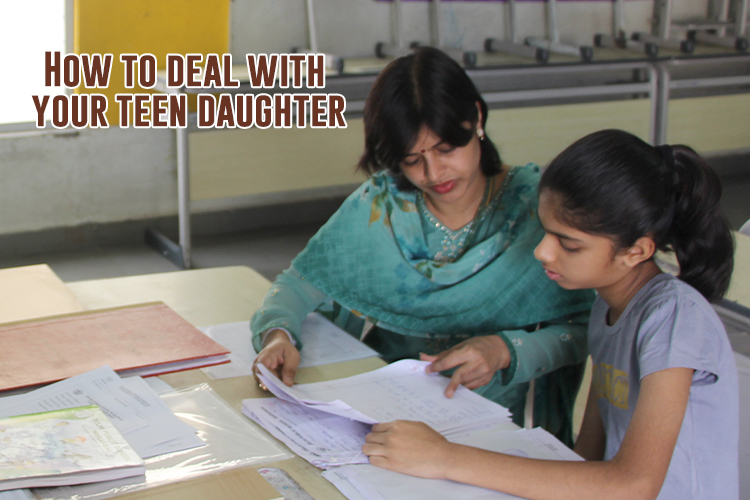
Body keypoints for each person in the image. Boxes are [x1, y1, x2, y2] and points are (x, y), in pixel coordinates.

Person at [362, 129, 739, 500]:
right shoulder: (607, 306)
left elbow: (633, 486)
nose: (543, 251)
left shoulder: (673, 316)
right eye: (546, 232)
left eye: (569, 244)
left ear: (636, 252)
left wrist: (446, 458)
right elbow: (587, 455)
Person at [250, 47, 593, 443]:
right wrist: (279, 336)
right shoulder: (382, 206)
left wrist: (504, 350)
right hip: (382, 414)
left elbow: (586, 327)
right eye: (413, 160)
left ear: (477, 119)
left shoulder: (537, 211)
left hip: (502, 424)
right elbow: (297, 284)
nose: (434, 173)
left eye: (446, 149)